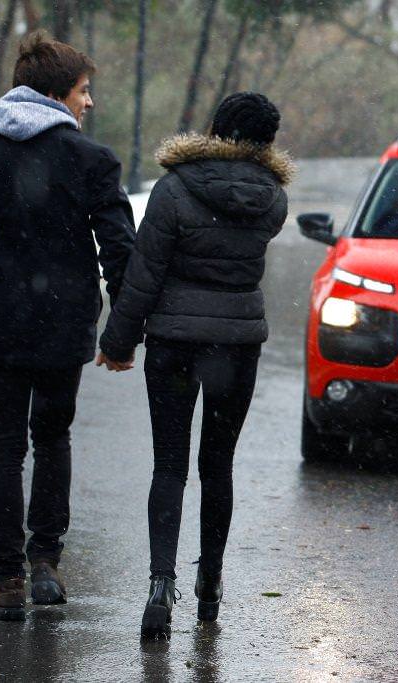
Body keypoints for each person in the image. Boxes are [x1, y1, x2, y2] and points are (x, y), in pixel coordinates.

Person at [0, 32, 135, 621]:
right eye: (82, 91)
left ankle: (7, 579)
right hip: (64, 325)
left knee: (3, 448)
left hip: (0, 325)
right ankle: (45, 563)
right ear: (53, 94)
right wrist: (122, 324)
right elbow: (120, 247)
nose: (88, 103)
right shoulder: (91, 159)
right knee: (53, 440)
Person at [97, 92, 293, 638]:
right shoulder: (273, 199)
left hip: (175, 343)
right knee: (218, 466)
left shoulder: (175, 188)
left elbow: (144, 275)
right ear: (267, 142)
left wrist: (118, 343)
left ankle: (161, 587)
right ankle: (211, 582)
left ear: (215, 129)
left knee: (169, 465)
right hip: (236, 345)